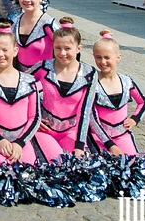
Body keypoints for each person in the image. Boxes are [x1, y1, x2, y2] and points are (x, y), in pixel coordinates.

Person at [0, 20, 59, 165]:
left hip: (21, 140)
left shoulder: (29, 81)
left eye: (5, 50)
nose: (0, 54)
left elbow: (34, 117)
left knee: (27, 173)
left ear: (15, 50)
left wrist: (20, 143)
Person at [29, 17, 97, 158]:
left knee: (77, 166)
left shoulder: (89, 74)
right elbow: (20, 85)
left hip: (71, 131)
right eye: (58, 48)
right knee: (55, 163)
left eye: (67, 49)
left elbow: (85, 110)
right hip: (45, 130)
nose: (62, 53)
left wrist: (79, 144)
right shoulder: (43, 67)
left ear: (78, 49)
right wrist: (33, 117)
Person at [89, 30, 145, 156]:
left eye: (107, 57)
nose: (103, 62)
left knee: (132, 164)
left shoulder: (126, 81)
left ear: (118, 57)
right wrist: (110, 145)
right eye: (98, 57)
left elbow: (143, 102)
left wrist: (135, 119)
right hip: (99, 138)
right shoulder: (92, 83)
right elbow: (91, 117)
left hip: (122, 135)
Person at [12, 0, 60, 72]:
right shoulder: (14, 22)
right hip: (22, 81)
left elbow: (68, 49)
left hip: (46, 79)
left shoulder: (49, 24)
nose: (27, 0)